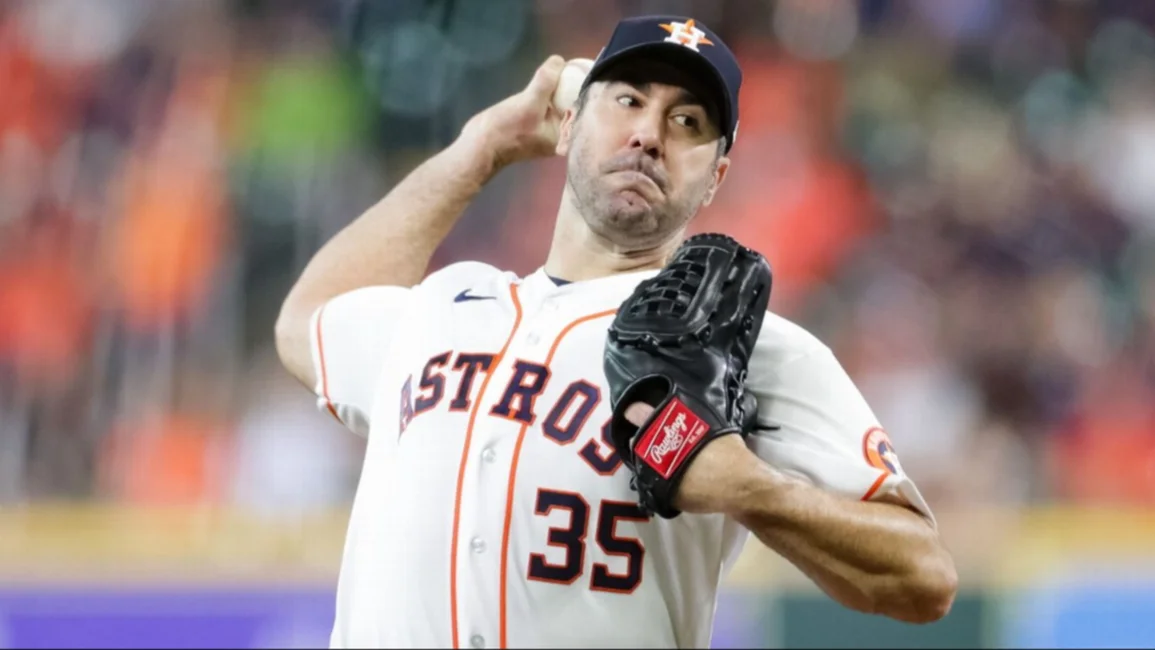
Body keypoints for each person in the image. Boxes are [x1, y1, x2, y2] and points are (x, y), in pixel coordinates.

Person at [274, 15, 957, 649]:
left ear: (715, 176)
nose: (648, 134)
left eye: (686, 121)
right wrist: (478, 150)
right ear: (568, 124)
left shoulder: (742, 346)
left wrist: (751, 488)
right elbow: (308, 320)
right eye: (627, 100)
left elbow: (922, 578)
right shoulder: (450, 302)